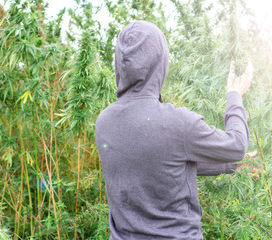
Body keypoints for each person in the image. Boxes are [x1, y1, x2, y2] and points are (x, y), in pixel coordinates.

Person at [95, 20, 252, 240]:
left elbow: (158, 164)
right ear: (160, 63)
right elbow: (237, 145)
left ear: (119, 64)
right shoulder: (178, 123)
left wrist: (229, 166)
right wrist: (235, 95)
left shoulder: (104, 122)